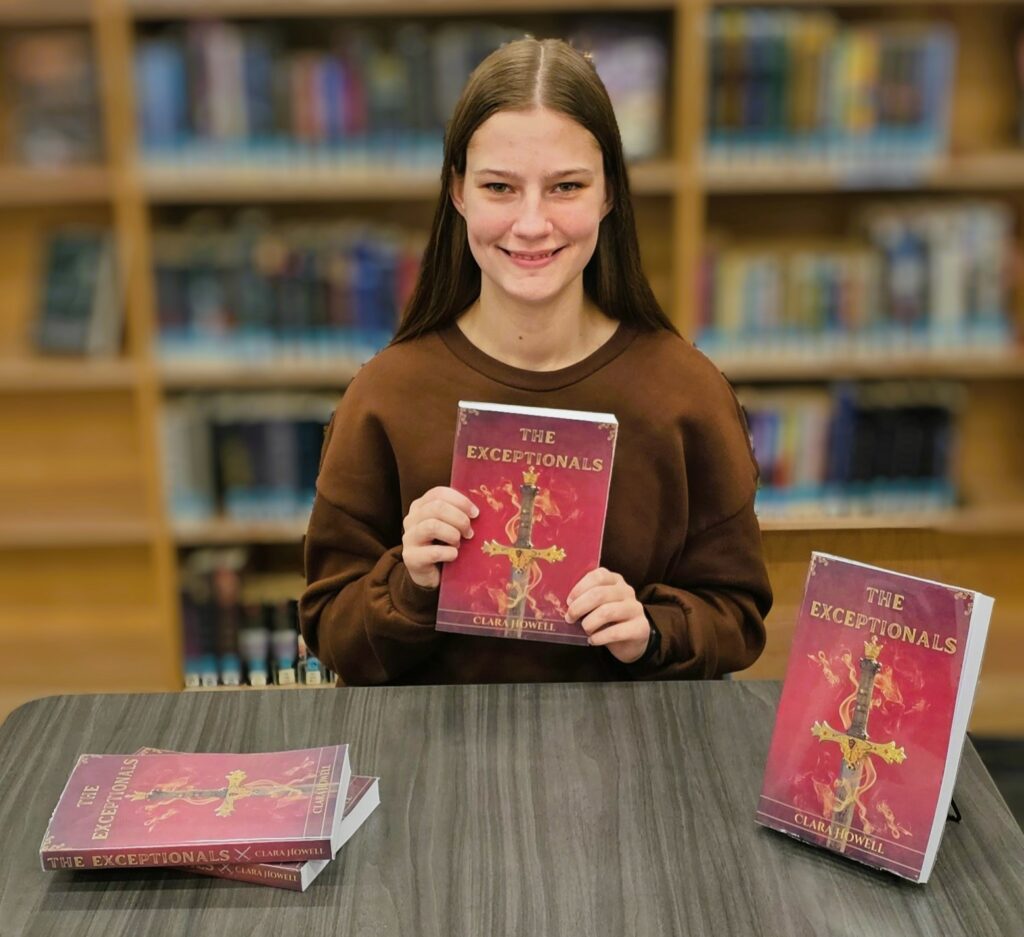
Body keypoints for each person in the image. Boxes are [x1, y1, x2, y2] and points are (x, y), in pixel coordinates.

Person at [300, 37, 772, 685]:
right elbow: (330, 628)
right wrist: (407, 582)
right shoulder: (385, 397)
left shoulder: (687, 394)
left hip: (631, 761)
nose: (530, 223)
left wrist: (654, 630)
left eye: (565, 187)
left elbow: (738, 615)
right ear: (458, 192)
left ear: (609, 195)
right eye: (499, 186)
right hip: (440, 763)